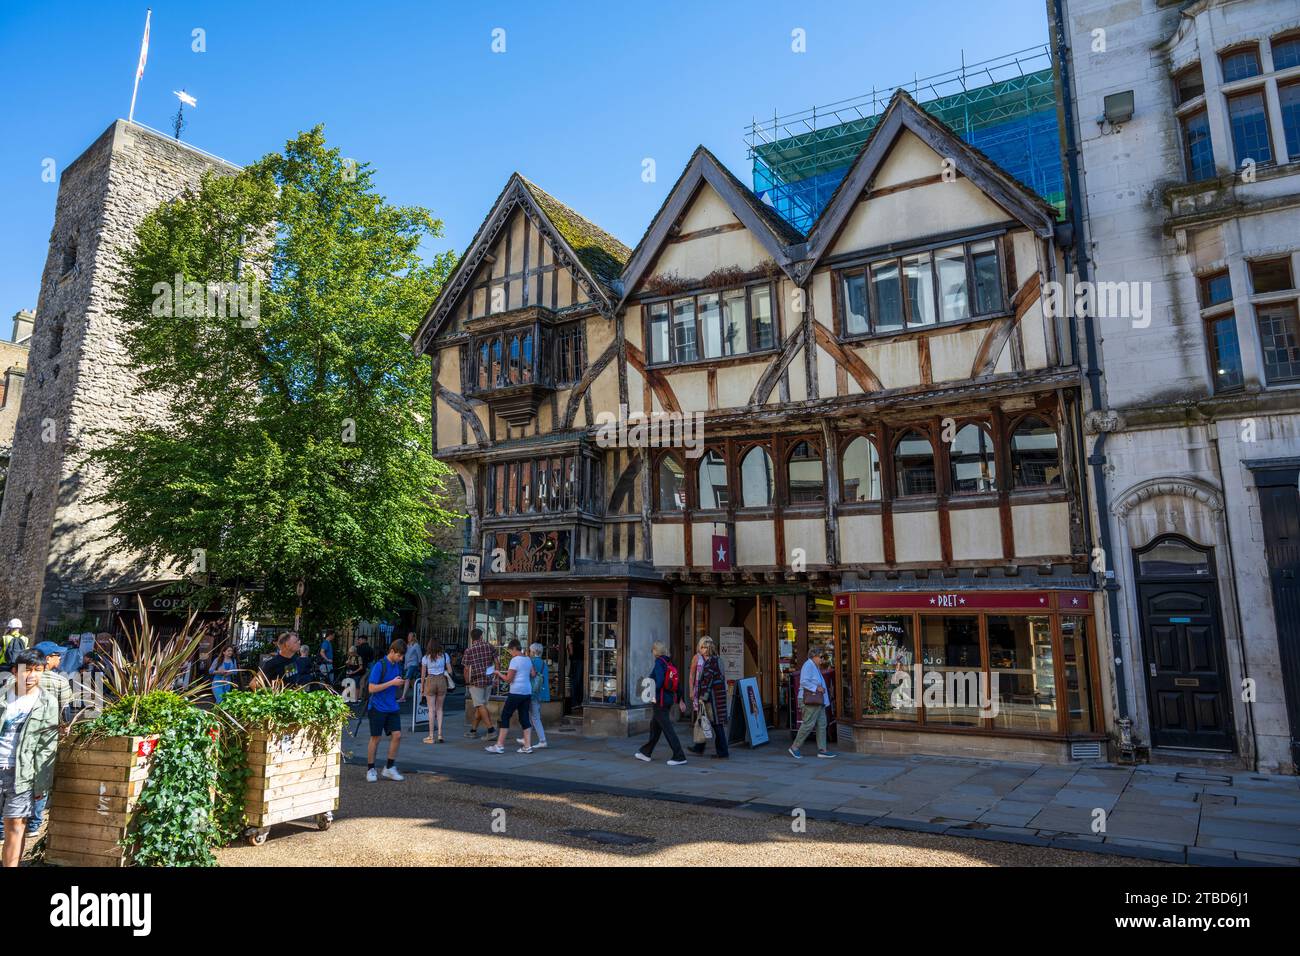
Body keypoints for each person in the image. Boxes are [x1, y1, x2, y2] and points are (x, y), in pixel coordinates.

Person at [0, 649, 60, 866]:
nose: (32, 675)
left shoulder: (48, 702)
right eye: (28, 670)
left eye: (38, 670)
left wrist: (41, 785)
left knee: (16, 824)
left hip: (21, 773)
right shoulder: (2, 695)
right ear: (15, 671)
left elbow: (47, 747)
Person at [635, 641, 687, 765]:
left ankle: (679, 756)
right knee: (655, 727)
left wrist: (651, 694)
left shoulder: (659, 662)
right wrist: (680, 699)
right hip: (668, 699)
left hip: (660, 700)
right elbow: (677, 684)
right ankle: (645, 752)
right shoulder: (669, 662)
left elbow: (659, 682)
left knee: (668, 729)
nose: (652, 652)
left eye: (652, 650)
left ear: (656, 651)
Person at [365, 639, 406, 782]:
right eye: (399, 655)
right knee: (375, 738)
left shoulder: (396, 666)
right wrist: (392, 683)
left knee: (397, 735)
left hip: (392, 706)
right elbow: (371, 688)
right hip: (377, 707)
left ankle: (389, 767)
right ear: (392, 651)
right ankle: (371, 769)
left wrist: (399, 684)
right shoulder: (379, 665)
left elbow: (393, 685)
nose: (401, 659)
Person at [484, 640, 532, 754]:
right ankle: (527, 746)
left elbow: (509, 679)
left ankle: (499, 745)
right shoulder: (528, 659)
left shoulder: (515, 660)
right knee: (524, 717)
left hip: (516, 692)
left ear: (514, 648)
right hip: (527, 691)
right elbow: (532, 674)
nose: (510, 653)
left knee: (505, 716)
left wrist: (498, 673)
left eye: (510, 651)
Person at [789, 645, 837, 760]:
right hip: (810, 700)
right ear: (814, 656)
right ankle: (794, 747)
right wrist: (817, 688)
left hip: (817, 701)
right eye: (821, 657)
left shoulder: (814, 666)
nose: (822, 659)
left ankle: (822, 750)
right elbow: (804, 681)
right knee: (808, 724)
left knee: (822, 724)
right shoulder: (808, 665)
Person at [691, 637, 729, 759]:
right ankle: (700, 747)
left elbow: (707, 681)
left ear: (708, 649)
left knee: (716, 725)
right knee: (711, 723)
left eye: (703, 647)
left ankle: (722, 752)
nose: (701, 649)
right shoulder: (718, 660)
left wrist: (702, 698)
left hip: (713, 699)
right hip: (719, 697)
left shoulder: (710, 662)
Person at [461, 627, 497, 739]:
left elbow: (466, 669)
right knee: (481, 706)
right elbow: (497, 662)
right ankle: (473, 730)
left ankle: (491, 730)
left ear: (472, 638)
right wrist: (495, 676)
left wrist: (467, 682)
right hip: (488, 680)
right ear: (481, 636)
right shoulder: (490, 646)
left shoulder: (469, 650)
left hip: (475, 681)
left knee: (480, 705)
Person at [517, 642, 549, 750]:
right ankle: (526, 738)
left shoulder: (531, 661)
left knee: (535, 717)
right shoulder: (544, 663)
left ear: (533, 651)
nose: (529, 652)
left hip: (532, 692)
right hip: (540, 692)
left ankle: (542, 740)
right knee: (533, 716)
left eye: (530, 651)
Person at [420, 640, 452, 744]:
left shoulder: (425, 658)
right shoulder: (445, 656)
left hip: (430, 680)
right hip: (442, 680)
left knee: (431, 710)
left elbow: (423, 675)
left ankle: (431, 736)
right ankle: (440, 734)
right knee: (439, 709)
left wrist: (422, 688)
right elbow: (450, 671)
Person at [399, 632, 421, 703]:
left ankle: (403, 697)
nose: (408, 637)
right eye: (408, 636)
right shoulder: (407, 646)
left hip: (413, 664)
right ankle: (420, 695)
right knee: (412, 681)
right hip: (408, 665)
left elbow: (419, 655)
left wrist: (420, 665)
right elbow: (406, 657)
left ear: (413, 637)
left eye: (410, 636)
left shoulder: (416, 645)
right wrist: (405, 665)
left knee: (407, 679)